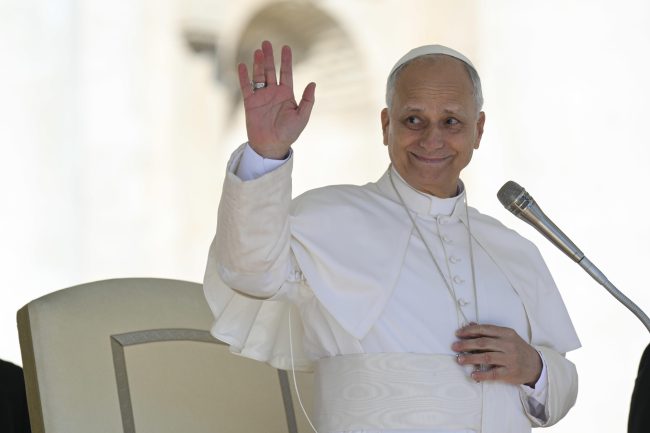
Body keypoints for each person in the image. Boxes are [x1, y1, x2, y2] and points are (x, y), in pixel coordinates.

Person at [203, 41, 580, 433]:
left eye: (451, 121)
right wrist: (266, 152)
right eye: (414, 120)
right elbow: (249, 271)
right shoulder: (329, 216)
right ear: (386, 126)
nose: (431, 139)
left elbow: (561, 389)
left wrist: (534, 367)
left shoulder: (512, 248)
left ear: (478, 130)